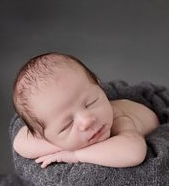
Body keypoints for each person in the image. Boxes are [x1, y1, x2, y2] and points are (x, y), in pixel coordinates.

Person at [11, 52, 160, 168]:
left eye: (90, 103)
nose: (87, 121)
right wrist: (61, 143)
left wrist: (75, 154)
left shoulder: (117, 118)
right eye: (67, 125)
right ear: (43, 136)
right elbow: (20, 143)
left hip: (151, 122)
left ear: (99, 86)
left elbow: (133, 152)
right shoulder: (49, 134)